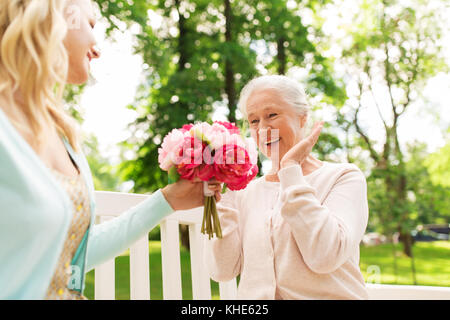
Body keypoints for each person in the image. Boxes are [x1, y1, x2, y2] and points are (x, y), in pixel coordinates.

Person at [0, 0, 222, 299]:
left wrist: (167, 201)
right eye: (91, 24)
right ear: (52, 11)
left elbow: (72, 257)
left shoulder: (63, 135)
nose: (97, 48)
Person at [204, 75, 370, 300]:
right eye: (254, 121)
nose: (263, 128)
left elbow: (325, 257)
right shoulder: (244, 192)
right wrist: (225, 197)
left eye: (271, 115)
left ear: (302, 118)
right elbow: (222, 270)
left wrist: (290, 169)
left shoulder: (344, 177)